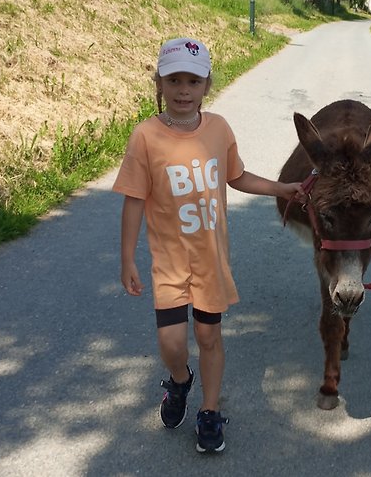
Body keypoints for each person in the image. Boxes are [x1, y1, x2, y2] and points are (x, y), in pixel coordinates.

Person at [113, 37, 304, 454]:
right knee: (172, 344)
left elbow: (237, 176)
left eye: (193, 81)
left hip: (211, 260)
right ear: (159, 82)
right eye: (174, 80)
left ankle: (210, 411)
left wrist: (282, 188)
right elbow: (133, 199)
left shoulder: (218, 129)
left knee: (209, 337)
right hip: (168, 262)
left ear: (207, 85)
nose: (184, 90)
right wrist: (127, 257)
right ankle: (180, 381)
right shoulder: (145, 136)